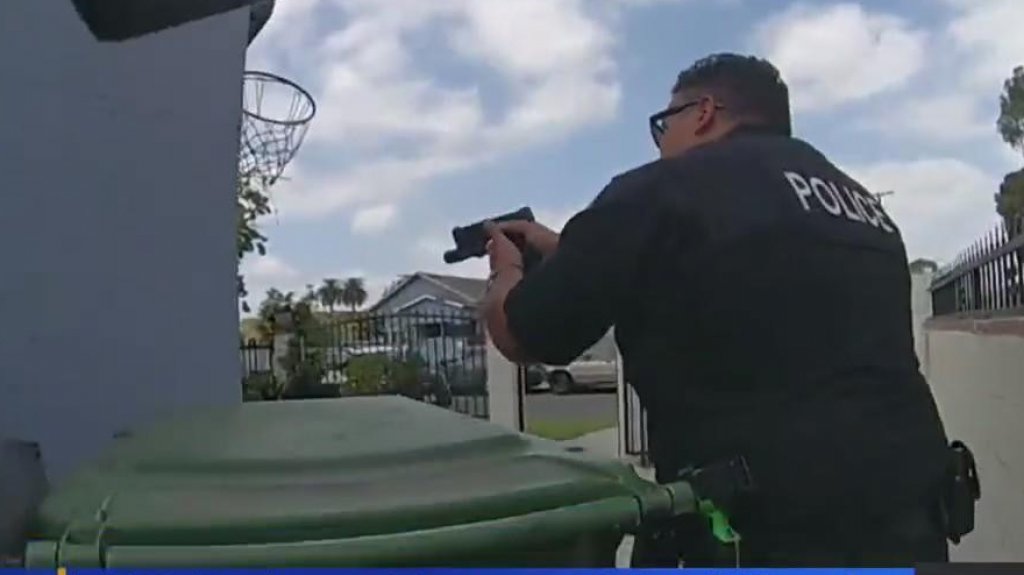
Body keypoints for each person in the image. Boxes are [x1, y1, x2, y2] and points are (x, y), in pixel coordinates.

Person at [479, 53, 952, 567]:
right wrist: (568, 249)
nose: (661, 145)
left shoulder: (661, 191)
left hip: (757, 536)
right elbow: (738, 274)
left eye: (664, 125)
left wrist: (506, 272)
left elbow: (525, 333)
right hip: (910, 522)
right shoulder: (863, 210)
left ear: (703, 112)